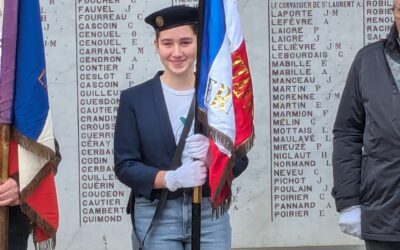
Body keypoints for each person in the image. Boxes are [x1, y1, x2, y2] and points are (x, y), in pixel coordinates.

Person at [114, 5, 248, 250]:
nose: (176, 52)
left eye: (185, 42)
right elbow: (125, 165)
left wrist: (213, 157)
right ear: (156, 45)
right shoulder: (135, 99)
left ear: (199, 43)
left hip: (209, 212)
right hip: (157, 211)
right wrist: (170, 178)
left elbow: (240, 160)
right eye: (167, 43)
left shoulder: (217, 96)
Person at [332, 1, 400, 249]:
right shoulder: (368, 61)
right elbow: (347, 133)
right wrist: (349, 201)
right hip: (384, 218)